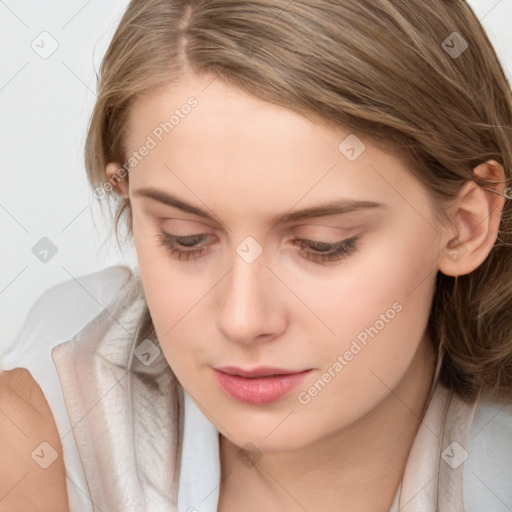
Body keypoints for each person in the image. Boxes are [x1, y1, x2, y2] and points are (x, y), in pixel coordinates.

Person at [1, 0, 512, 510]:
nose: (243, 320)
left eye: (322, 244)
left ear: (465, 226)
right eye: (186, 238)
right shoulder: (29, 443)